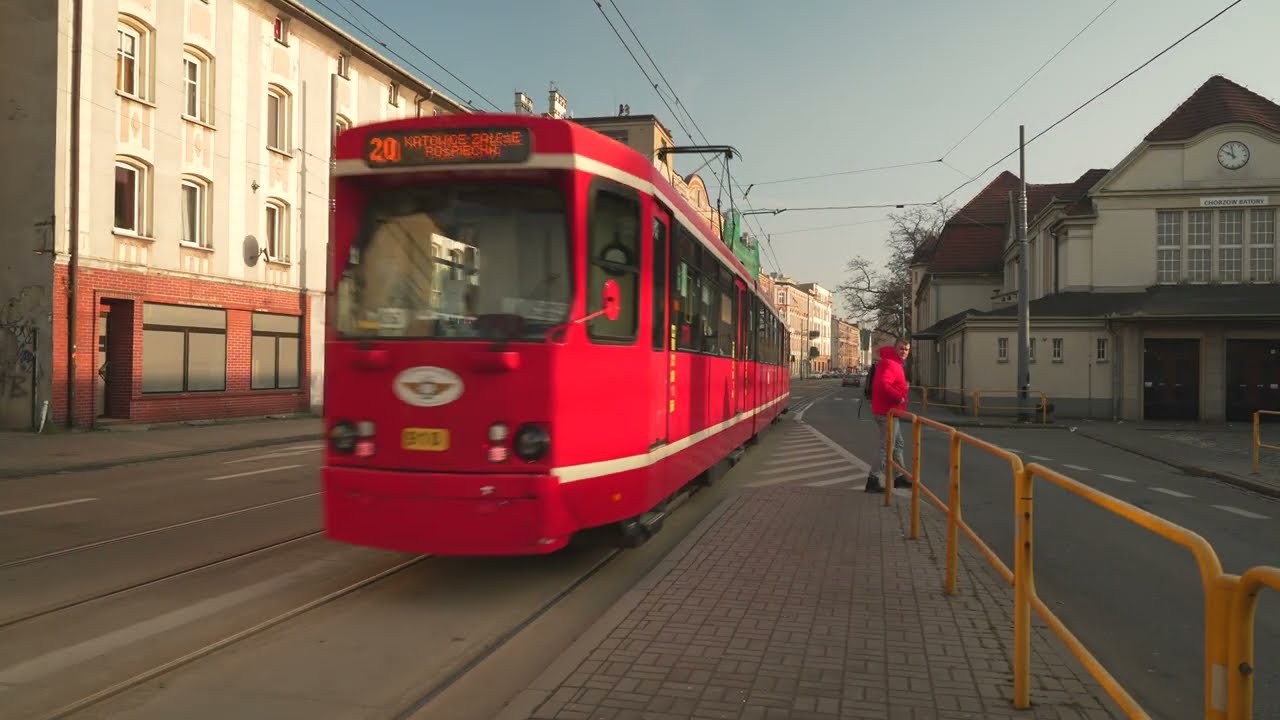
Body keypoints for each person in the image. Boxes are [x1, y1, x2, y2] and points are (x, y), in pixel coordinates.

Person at [866, 338, 911, 493]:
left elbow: (890, 383)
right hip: (887, 413)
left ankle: (900, 477)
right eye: (901, 348)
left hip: (891, 412)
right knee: (886, 447)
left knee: (897, 445)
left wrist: (903, 387)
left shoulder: (895, 363)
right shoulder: (890, 363)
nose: (904, 351)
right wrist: (899, 397)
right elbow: (883, 385)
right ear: (895, 348)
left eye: (906, 349)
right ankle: (873, 479)